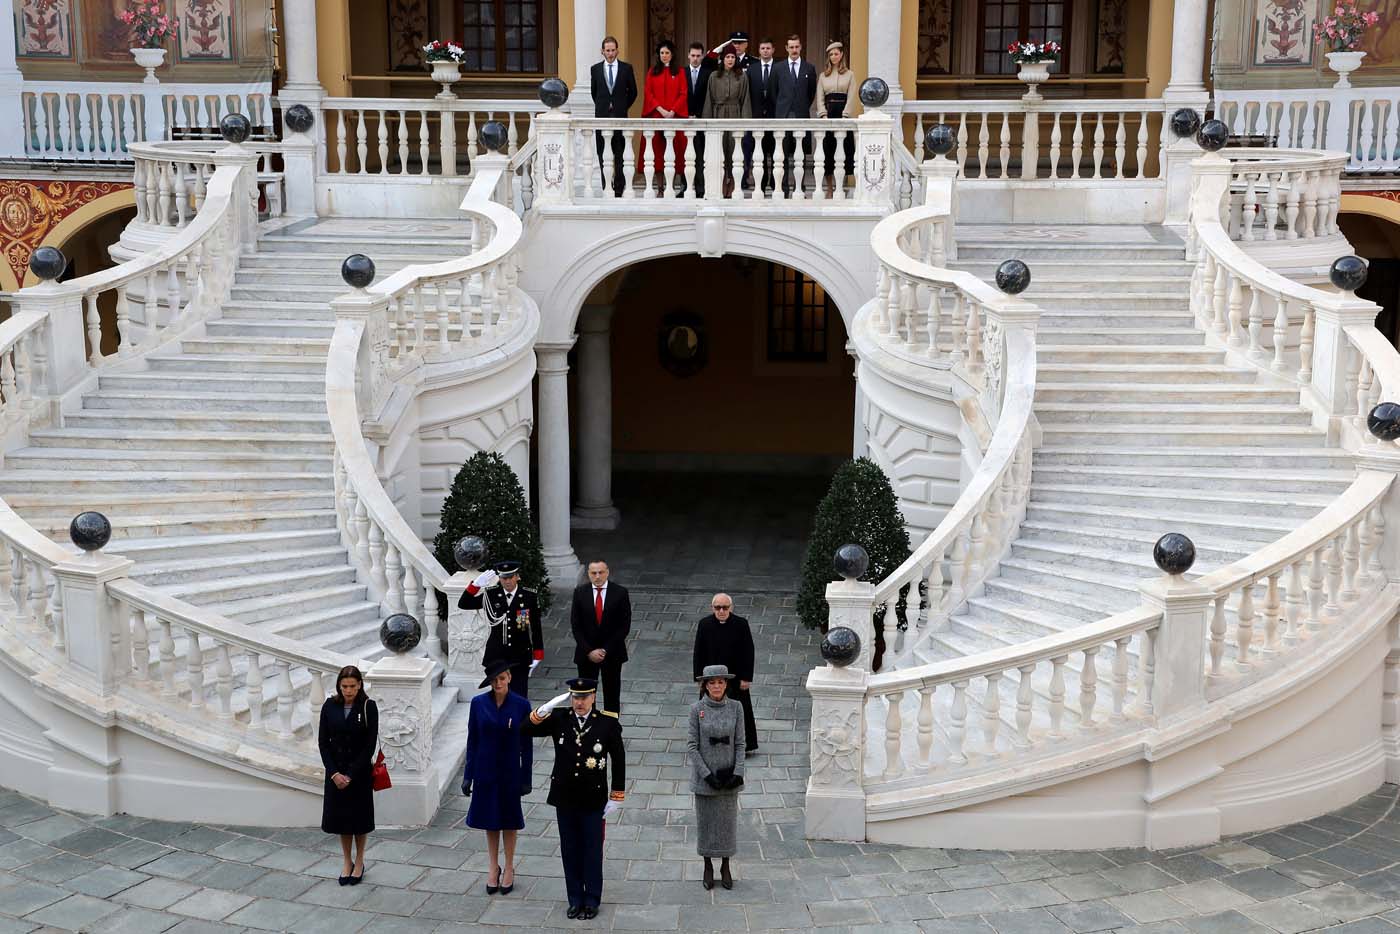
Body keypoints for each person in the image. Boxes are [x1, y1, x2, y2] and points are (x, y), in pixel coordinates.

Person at [525, 678, 626, 920]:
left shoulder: (607, 723)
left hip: (593, 798)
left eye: (584, 697)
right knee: (570, 850)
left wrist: (617, 795)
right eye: (575, 697)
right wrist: (545, 709)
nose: (579, 702)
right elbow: (525, 729)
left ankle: (591, 899)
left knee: (591, 850)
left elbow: (619, 759)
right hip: (565, 797)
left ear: (593, 697)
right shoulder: (560, 718)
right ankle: (574, 899)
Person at [462, 659, 533, 895]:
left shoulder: (521, 705)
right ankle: (493, 866)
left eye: (502, 678)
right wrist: (468, 775)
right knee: (490, 820)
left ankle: (510, 867)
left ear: (510, 678)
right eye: (494, 680)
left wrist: (526, 777)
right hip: (485, 770)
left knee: (510, 821)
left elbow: (527, 745)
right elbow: (472, 740)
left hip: (510, 771)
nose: (498, 683)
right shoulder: (478, 703)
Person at [318, 665, 378, 886]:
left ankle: (360, 860)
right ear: (339, 686)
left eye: (352, 686)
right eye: (344, 686)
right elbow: (323, 742)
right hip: (335, 771)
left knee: (359, 820)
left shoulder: (368, 707)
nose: (348, 690)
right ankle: (347, 861)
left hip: (359, 773)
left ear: (360, 685)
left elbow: (369, 746)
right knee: (342, 820)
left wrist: (350, 775)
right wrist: (334, 773)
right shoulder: (329, 706)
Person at [688, 665, 745, 891]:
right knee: (707, 825)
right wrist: (706, 775)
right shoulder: (696, 709)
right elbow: (692, 746)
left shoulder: (737, 708)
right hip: (706, 779)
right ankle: (708, 865)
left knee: (726, 825)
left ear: (726, 684)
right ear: (705, 686)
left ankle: (726, 865)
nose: (716, 686)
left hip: (729, 777)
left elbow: (741, 743)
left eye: (720, 682)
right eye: (712, 683)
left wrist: (737, 773)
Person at [458, 560, 543, 700]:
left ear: (517, 577)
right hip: (497, 654)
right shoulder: (491, 595)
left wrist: (538, 654)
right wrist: (475, 586)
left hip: (520, 653)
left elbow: (535, 627)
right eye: (504, 578)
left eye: (511, 577)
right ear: (499, 578)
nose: (508, 581)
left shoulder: (529, 596)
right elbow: (464, 604)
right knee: (499, 694)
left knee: (519, 694)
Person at [692, 593, 758, 755]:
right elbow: (698, 652)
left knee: (739, 710)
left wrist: (746, 677)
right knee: (707, 710)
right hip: (711, 678)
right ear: (712, 608)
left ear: (731, 607)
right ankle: (706, 743)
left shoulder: (741, 624)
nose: (721, 611)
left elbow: (748, 651)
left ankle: (744, 744)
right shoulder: (705, 624)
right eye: (717, 607)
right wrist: (699, 678)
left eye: (725, 607)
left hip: (735, 678)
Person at [571, 559, 631, 717]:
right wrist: (589, 651)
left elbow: (624, 626)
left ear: (607, 572)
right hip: (586, 655)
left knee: (612, 694)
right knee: (586, 695)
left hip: (612, 654)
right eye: (593, 573)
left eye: (601, 572)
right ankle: (589, 728)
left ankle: (612, 731)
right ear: (588, 574)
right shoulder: (580, 593)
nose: (597, 576)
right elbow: (576, 626)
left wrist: (605, 650)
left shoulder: (620, 593)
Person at [590, 36, 638, 195]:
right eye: (607, 50)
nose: (610, 53)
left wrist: (622, 106)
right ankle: (606, 186)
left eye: (613, 50)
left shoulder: (626, 68)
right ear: (602, 51)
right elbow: (594, 93)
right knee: (602, 152)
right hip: (602, 117)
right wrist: (604, 106)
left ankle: (619, 188)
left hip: (620, 117)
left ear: (617, 50)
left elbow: (633, 92)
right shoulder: (595, 69)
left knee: (620, 153)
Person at [703, 45, 751, 197]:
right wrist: (707, 122)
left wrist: (744, 122)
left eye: (732, 57)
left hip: (735, 114)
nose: (730, 60)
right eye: (727, 57)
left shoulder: (741, 76)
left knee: (735, 151)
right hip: (718, 114)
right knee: (720, 151)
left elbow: (745, 100)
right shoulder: (714, 76)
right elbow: (708, 100)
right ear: (722, 59)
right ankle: (722, 182)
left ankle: (734, 183)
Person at [640, 39, 688, 190]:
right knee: (657, 154)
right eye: (662, 53)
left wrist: (673, 111)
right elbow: (648, 93)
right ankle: (660, 187)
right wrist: (661, 110)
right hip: (657, 117)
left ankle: (671, 187)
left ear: (672, 54)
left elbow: (683, 93)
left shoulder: (679, 72)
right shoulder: (652, 71)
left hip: (675, 118)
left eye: (667, 53)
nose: (664, 55)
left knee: (674, 153)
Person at [773, 34, 817, 195]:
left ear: (801, 47)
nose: (794, 50)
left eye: (796, 46)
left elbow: (811, 93)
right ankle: (783, 188)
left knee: (801, 156)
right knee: (782, 155)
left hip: (801, 116)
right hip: (783, 116)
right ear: (786, 48)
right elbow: (773, 92)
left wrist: (801, 106)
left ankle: (801, 186)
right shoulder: (778, 68)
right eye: (791, 47)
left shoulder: (809, 68)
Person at [816, 40, 858, 193]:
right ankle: (829, 188)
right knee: (828, 152)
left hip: (842, 115)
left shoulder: (850, 75)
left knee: (843, 152)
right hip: (828, 114)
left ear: (841, 55)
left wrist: (845, 116)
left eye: (836, 54)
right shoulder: (823, 76)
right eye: (831, 54)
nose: (833, 57)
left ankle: (841, 186)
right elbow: (819, 97)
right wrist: (823, 115)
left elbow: (852, 96)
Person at [744, 38, 779, 192]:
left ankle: (776, 182)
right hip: (756, 116)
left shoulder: (779, 68)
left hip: (775, 116)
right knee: (760, 153)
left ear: (773, 50)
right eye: (763, 48)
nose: (765, 51)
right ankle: (763, 183)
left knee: (776, 152)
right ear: (759, 50)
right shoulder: (752, 69)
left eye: (768, 48)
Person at [684, 41, 714, 196]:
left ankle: (701, 188)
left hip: (704, 119)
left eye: (698, 56)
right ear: (688, 55)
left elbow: (711, 97)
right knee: (685, 154)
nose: (695, 59)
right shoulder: (681, 72)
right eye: (693, 55)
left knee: (702, 155)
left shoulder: (709, 73)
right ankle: (685, 186)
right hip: (685, 119)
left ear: (702, 56)